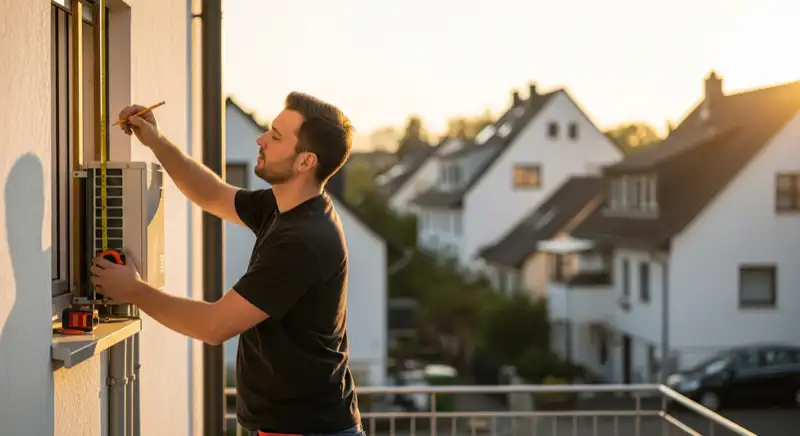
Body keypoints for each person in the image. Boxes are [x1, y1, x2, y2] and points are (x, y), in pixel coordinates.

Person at [90, 92, 363, 436]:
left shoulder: (302, 241)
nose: (261, 139)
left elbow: (213, 325)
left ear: (305, 161)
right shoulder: (284, 207)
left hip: (308, 430)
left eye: (276, 136)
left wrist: (132, 290)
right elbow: (213, 194)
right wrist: (156, 141)